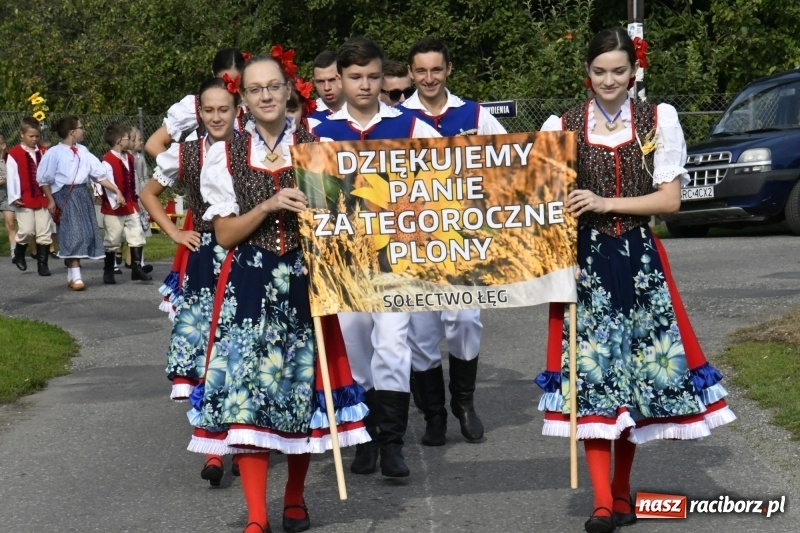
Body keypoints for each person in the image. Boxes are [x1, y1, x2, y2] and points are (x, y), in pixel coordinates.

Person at [535, 27, 736, 533]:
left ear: (633, 71)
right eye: (600, 71)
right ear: (588, 73)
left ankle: (621, 494)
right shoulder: (561, 125)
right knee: (595, 378)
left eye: (618, 70)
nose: (609, 79)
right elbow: (539, 203)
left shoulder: (658, 119)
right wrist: (562, 247)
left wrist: (605, 203)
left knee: (638, 377)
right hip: (586, 261)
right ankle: (604, 501)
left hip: (640, 258)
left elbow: (669, 202)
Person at [194, 53, 369, 533]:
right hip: (249, 282)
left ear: (289, 89)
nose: (266, 96)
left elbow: (348, 221)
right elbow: (226, 234)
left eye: (274, 86)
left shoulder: (319, 145)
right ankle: (256, 515)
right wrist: (270, 204)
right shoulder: (223, 152)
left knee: (300, 392)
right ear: (243, 99)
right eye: (255, 90)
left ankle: (294, 498)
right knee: (249, 396)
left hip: (304, 281)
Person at [314, 36, 440, 479]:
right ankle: (362, 437)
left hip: (398, 261)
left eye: (372, 77)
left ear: (382, 77)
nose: (364, 86)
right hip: (343, 265)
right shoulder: (317, 133)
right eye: (355, 77)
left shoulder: (412, 127)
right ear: (341, 80)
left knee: (392, 345)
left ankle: (391, 443)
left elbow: (444, 183)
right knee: (355, 347)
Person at [401, 37, 508, 447]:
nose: (429, 78)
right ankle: (433, 415)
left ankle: (464, 401)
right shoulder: (398, 119)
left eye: (436, 69)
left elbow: (508, 164)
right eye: (421, 70)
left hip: (463, 238)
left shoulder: (474, 114)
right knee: (421, 333)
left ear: (449, 70)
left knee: (464, 319)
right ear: (411, 73)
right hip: (416, 239)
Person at [141, 77, 242, 486]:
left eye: (224, 109)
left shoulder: (254, 149)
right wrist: (175, 232)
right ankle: (213, 445)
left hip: (247, 259)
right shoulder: (184, 153)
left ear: (237, 111)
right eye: (209, 110)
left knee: (241, 352)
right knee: (207, 354)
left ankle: (243, 435)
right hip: (204, 262)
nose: (216, 117)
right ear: (198, 112)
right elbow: (148, 194)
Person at [37, 116, 125, 290]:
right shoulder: (54, 153)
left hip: (82, 194)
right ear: (72, 132)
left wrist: (116, 190)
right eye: (81, 127)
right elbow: (43, 179)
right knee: (74, 233)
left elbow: (99, 175)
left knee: (85, 234)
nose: (83, 130)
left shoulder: (84, 151)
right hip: (64, 195)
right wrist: (51, 200)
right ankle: (76, 276)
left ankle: (72, 274)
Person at [145, 48, 247, 158]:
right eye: (224, 82)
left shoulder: (251, 105)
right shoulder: (196, 105)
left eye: (235, 83)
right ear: (213, 75)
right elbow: (153, 144)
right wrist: (180, 169)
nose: (229, 88)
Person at [99, 124, 151, 284]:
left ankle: (136, 268)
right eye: (128, 138)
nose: (130, 141)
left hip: (130, 204)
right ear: (120, 141)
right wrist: (116, 197)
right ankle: (108, 270)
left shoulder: (130, 158)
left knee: (137, 235)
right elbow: (106, 181)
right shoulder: (107, 160)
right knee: (113, 239)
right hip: (114, 208)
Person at [6, 117, 52, 276]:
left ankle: (43, 264)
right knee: (26, 230)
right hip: (24, 198)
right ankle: (19, 253)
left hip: (42, 198)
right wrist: (14, 196)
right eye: (31, 136)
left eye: (37, 136)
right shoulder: (14, 153)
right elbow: (12, 177)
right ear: (22, 135)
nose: (34, 139)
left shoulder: (44, 152)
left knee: (43, 232)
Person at [122, 127, 153, 271]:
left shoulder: (140, 158)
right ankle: (120, 260)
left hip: (139, 195)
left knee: (139, 228)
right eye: (137, 140)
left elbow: (144, 178)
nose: (140, 142)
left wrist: (147, 194)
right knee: (125, 231)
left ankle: (137, 261)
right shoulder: (124, 158)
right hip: (128, 196)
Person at [309, 51, 344, 122]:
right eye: (320, 81)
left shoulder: (361, 110)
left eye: (332, 80)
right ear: (313, 82)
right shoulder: (307, 115)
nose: (327, 88)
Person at [0, 133, 17, 257]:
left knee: (10, 222)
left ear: (3, 145)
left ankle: (14, 251)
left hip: (6, 194)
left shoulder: (9, 160)